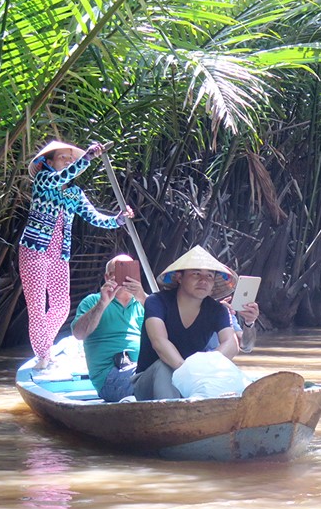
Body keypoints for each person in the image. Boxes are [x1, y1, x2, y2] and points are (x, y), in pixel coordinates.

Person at [20, 140, 134, 370]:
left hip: (59, 255)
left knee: (61, 306)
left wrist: (119, 219)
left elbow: (95, 217)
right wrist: (87, 159)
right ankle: (43, 356)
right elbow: (61, 178)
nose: (69, 162)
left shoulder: (74, 193)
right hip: (34, 250)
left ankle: (44, 349)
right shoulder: (44, 180)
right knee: (37, 308)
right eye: (64, 158)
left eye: (71, 159)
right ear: (48, 162)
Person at [131, 245, 240, 400]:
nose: (203, 280)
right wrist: (187, 372)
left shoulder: (218, 310)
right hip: (149, 381)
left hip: (193, 379)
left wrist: (206, 367)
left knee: (227, 371)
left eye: (209, 276)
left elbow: (231, 344)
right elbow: (159, 342)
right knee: (164, 367)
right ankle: (173, 420)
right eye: (196, 274)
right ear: (179, 278)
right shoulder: (156, 302)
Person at [71, 254, 146, 402]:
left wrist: (143, 298)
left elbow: (170, 336)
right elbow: (78, 334)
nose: (124, 279)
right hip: (110, 377)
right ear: (107, 277)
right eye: (117, 273)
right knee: (155, 379)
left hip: (142, 369)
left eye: (128, 273)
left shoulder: (146, 302)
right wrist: (103, 303)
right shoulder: (92, 301)